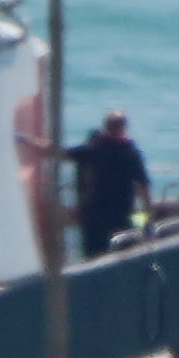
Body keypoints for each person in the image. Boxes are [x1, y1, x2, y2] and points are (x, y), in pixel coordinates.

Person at [65, 110, 152, 261]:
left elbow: (57, 152)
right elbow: (143, 186)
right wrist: (147, 217)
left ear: (106, 126)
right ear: (123, 127)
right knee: (124, 255)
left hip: (95, 214)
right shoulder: (130, 153)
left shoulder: (93, 149)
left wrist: (27, 142)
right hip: (121, 213)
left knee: (93, 257)